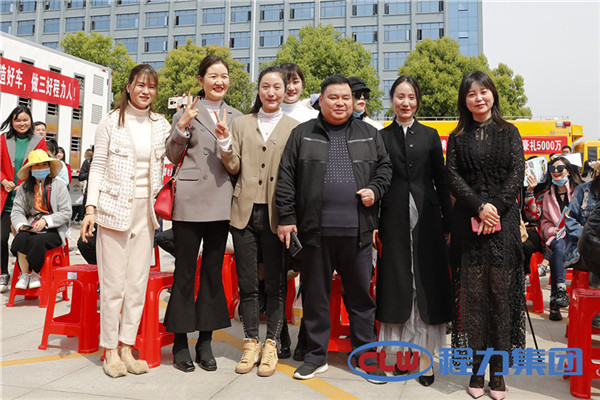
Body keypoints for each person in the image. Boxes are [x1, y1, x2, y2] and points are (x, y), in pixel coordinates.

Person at [276, 74, 392, 382]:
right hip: (315, 233)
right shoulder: (302, 134)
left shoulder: (369, 133)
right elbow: (286, 177)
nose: (340, 103)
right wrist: (286, 217)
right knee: (315, 297)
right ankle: (315, 357)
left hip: (357, 233)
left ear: (353, 101)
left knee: (361, 299)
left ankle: (366, 358)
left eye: (345, 97)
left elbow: (385, 169)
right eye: (333, 97)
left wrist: (375, 190)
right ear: (321, 101)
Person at [80, 64, 171, 378]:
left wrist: (185, 121)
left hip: (146, 212)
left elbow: (176, 151)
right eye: (140, 85)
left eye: (152, 86)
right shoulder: (110, 121)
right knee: (113, 285)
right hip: (113, 209)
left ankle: (127, 347)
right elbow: (97, 166)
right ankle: (109, 350)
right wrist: (90, 209)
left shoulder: (161, 123)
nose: (146, 91)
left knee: (136, 284)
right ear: (129, 86)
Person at [446, 71, 525, 400]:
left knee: (500, 299)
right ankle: (477, 370)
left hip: (503, 224)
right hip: (468, 224)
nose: (478, 98)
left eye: (483, 92)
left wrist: (494, 209)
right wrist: (479, 207)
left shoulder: (510, 132)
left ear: (493, 94)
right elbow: (452, 175)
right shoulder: (457, 137)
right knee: (473, 301)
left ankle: (499, 373)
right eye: (471, 94)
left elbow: (517, 173)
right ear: (464, 100)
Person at [163, 55, 242, 374]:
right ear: (201, 80)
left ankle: (205, 341)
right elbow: (172, 155)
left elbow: (236, 163)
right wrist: (182, 127)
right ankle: (180, 342)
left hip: (221, 200)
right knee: (184, 271)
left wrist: (225, 140)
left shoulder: (237, 117)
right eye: (212, 75)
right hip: (190, 200)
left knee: (212, 271)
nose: (219, 81)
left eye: (224, 76)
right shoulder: (186, 112)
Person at [217, 66, 298, 377]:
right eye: (266, 86)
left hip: (278, 216)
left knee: (276, 284)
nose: (271, 92)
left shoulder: (295, 128)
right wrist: (225, 143)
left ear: (286, 91)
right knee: (248, 283)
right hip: (244, 213)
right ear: (259, 89)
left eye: (277, 87)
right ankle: (250, 342)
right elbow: (233, 166)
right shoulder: (240, 123)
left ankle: (272, 345)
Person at [374, 76, 452, 386]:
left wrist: (448, 220)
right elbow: (377, 180)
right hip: (392, 219)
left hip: (427, 220)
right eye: (399, 96)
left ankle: (424, 358)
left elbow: (441, 179)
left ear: (417, 101)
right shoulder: (381, 136)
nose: (405, 102)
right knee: (398, 284)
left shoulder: (430, 135)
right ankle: (402, 356)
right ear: (392, 99)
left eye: (411, 97)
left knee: (424, 284)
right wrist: (375, 224)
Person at [0, 106, 47, 293]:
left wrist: (26, 183)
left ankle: (28, 273)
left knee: (25, 239)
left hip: (28, 199)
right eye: (17, 120)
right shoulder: (3, 139)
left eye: (25, 120)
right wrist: (3, 180)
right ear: (12, 121)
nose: (22, 123)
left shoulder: (39, 141)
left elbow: (42, 166)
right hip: (5, 198)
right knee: (1, 238)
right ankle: (3, 273)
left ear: (31, 121)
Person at [10, 149, 71, 289]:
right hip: (31, 226)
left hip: (53, 229)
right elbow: (17, 210)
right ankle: (24, 274)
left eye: (44, 164)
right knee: (21, 237)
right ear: (31, 168)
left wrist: (46, 220)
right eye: (37, 165)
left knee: (37, 240)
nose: (41, 168)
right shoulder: (24, 187)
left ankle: (35, 273)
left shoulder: (59, 185)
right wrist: (22, 224)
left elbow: (66, 212)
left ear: (49, 167)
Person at [540, 156, 582, 321]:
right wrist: (553, 229)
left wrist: (572, 229)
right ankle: (561, 290)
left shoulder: (579, 191)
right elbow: (545, 222)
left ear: (569, 172)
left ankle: (555, 301)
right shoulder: (548, 196)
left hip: (577, 238)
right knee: (558, 246)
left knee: (558, 249)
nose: (556, 172)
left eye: (560, 169)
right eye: (552, 169)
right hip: (557, 237)